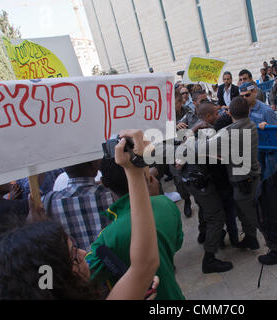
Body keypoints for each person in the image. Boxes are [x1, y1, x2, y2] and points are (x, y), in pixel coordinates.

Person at [0, 129, 160, 300]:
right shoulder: (107, 194)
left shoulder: (49, 200)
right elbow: (144, 266)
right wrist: (134, 171)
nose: (85, 252)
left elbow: (143, 267)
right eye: (73, 254)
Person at [86, 156, 184, 299]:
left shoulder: (106, 239)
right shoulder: (165, 203)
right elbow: (177, 243)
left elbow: (87, 278)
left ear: (103, 183)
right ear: (145, 174)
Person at [194, 96, 262, 250]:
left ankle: (276, 248)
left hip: (244, 182)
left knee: (253, 217)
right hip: (249, 180)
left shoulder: (229, 133)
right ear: (249, 111)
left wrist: (192, 133)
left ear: (230, 112)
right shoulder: (250, 124)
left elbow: (200, 148)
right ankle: (251, 239)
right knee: (246, 214)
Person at [179, 102, 234, 273]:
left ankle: (204, 234)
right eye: (216, 113)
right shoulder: (204, 135)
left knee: (205, 209)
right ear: (209, 117)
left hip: (194, 182)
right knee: (216, 217)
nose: (219, 116)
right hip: (200, 183)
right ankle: (209, 259)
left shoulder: (195, 130)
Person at [43, 160, 114, 250]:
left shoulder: (49, 201)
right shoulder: (110, 193)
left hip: (75, 262)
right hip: (112, 260)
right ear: (93, 165)